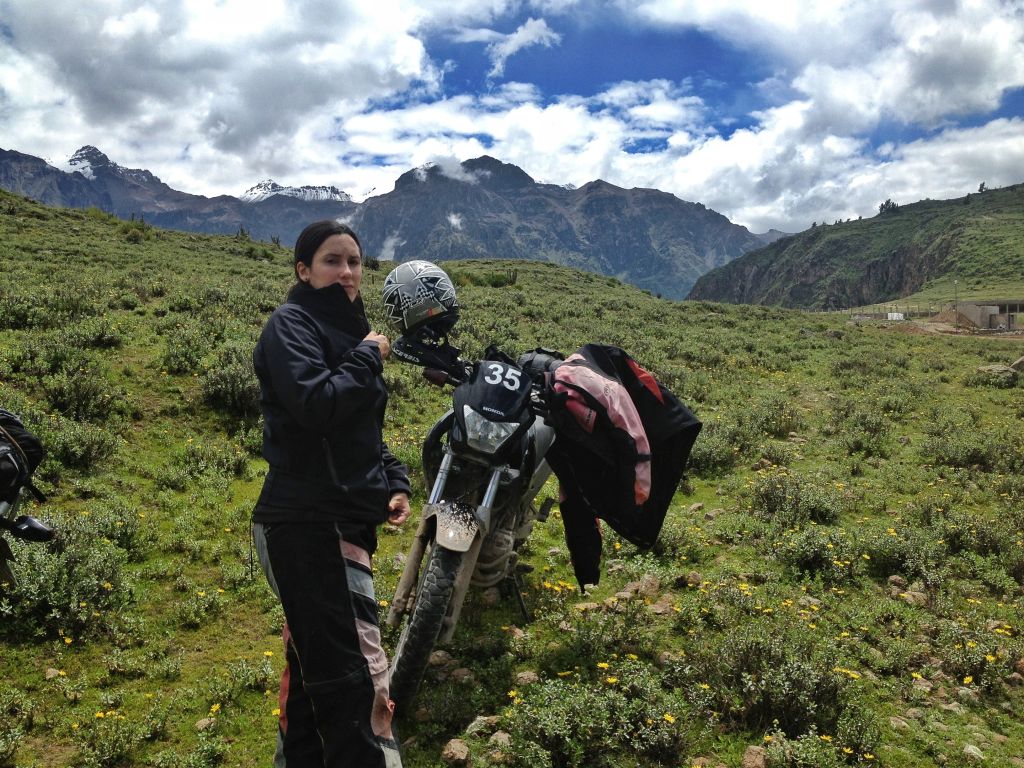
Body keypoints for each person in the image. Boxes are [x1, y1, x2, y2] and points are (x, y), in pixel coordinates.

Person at [251, 219, 411, 768]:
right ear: (303, 270)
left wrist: (393, 482)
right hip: (307, 524)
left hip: (338, 521)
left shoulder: (348, 330)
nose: (346, 272)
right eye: (331, 261)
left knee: (316, 674)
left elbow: (359, 431)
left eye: (355, 262)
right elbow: (316, 405)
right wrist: (369, 356)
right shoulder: (291, 325)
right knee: (358, 680)